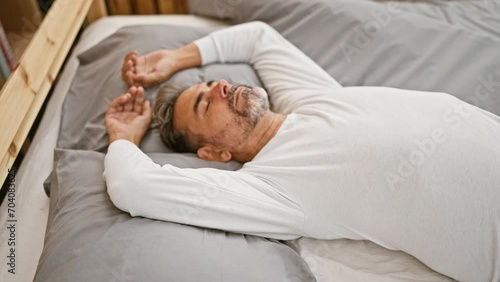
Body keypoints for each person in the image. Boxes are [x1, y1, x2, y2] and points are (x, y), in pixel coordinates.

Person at [104, 22, 500, 281]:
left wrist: (175, 58)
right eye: (206, 104)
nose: (221, 88)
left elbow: (258, 37)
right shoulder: (272, 189)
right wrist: (124, 134)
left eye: (212, 83)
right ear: (213, 154)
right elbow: (133, 186)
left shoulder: (308, 98)